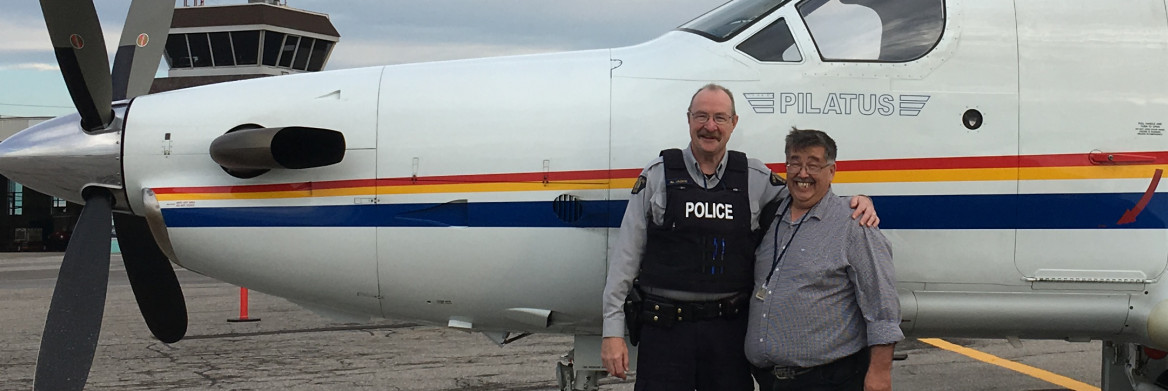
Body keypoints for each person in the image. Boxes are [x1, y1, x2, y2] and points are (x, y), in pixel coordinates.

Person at [600, 84, 879, 390]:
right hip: (665, 334)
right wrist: (612, 332)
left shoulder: (755, 178)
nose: (710, 126)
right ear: (689, 119)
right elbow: (625, 261)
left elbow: (808, 192)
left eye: (720, 118)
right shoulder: (657, 176)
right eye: (701, 116)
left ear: (733, 123)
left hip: (728, 335)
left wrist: (854, 200)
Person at [746, 128, 902, 391]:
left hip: (827, 381)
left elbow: (882, 306)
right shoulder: (772, 217)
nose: (803, 173)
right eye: (795, 163)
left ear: (831, 171)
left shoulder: (855, 224)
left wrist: (879, 373)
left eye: (813, 164)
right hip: (770, 381)